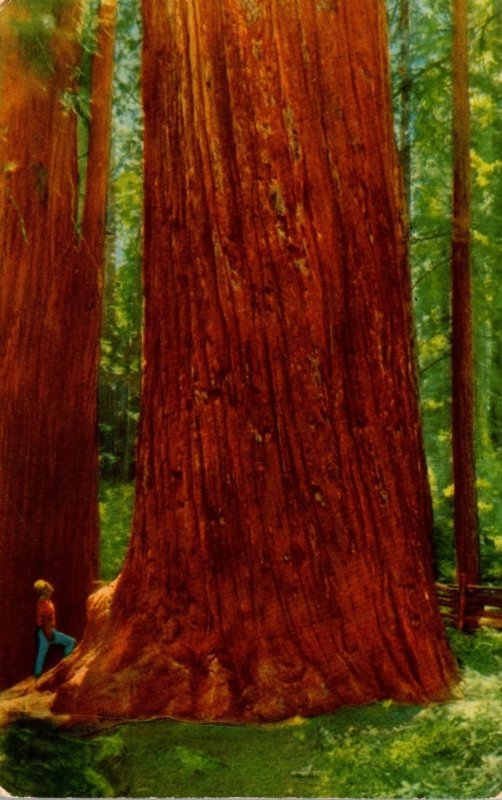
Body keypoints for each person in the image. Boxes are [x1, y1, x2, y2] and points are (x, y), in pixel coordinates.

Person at [33, 579, 76, 678]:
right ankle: (65, 665)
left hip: (47, 630)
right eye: (49, 590)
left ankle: (38, 673)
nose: (51, 591)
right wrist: (48, 633)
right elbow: (44, 619)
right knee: (71, 642)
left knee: (42, 651)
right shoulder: (43, 602)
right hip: (46, 630)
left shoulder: (47, 601)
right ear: (44, 591)